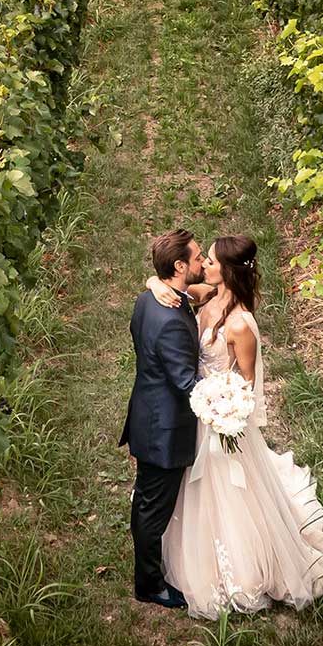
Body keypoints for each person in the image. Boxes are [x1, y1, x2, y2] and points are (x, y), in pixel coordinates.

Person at [157, 234, 323, 620]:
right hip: (199, 409)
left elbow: (246, 384)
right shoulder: (209, 297)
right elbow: (170, 285)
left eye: (210, 262)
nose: (204, 266)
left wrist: (222, 409)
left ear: (227, 271)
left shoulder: (242, 324)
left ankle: (245, 566)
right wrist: (152, 283)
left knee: (228, 492)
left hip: (221, 419)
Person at [120, 228, 206, 609]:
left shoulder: (148, 299)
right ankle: (149, 584)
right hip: (163, 429)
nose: (203, 261)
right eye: (199, 257)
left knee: (147, 500)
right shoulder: (170, 320)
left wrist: (153, 281)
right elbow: (187, 383)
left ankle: (150, 571)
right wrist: (225, 399)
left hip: (147, 412)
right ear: (179, 265)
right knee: (152, 508)